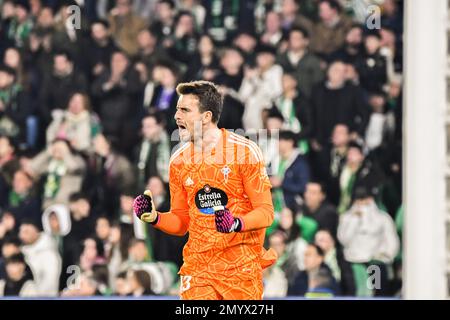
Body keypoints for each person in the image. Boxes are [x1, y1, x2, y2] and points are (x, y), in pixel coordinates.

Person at [133, 81, 277, 300]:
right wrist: (155, 217)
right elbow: (182, 222)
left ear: (206, 117)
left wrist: (236, 223)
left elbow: (266, 212)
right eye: (177, 109)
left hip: (239, 267)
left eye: (185, 110)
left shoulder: (244, 153)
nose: (177, 116)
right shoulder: (179, 161)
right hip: (198, 267)